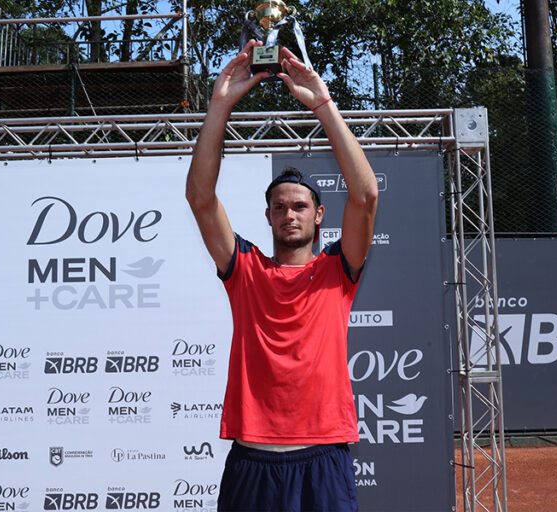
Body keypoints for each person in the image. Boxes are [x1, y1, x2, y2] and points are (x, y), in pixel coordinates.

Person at [186, 39, 379, 512]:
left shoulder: (338, 271)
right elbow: (200, 199)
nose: (289, 214)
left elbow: (367, 196)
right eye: (280, 207)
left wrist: (323, 103)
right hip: (252, 459)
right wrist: (220, 104)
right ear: (269, 217)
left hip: (323, 458)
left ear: (318, 216)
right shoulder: (245, 270)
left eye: (300, 206)